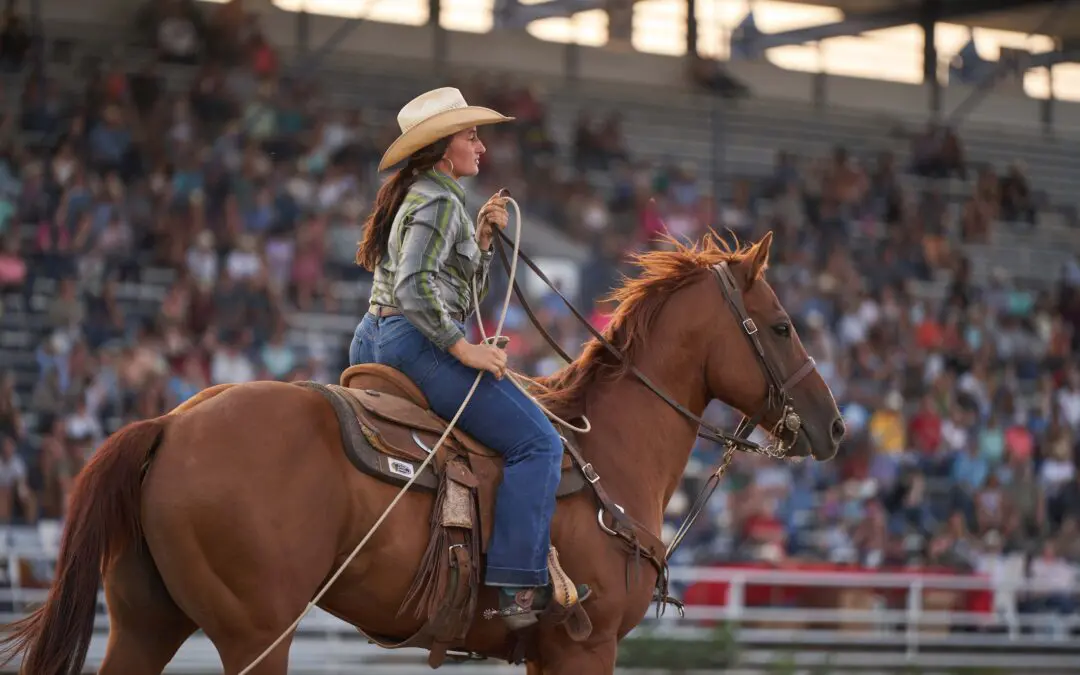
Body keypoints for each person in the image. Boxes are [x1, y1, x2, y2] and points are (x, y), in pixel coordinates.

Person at [350, 87, 581, 628]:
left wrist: (481, 240)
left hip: (373, 337)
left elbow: (453, 291)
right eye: (471, 136)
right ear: (442, 146)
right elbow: (413, 286)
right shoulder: (438, 201)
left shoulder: (426, 195)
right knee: (539, 443)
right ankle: (518, 589)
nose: (481, 146)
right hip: (412, 342)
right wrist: (463, 348)